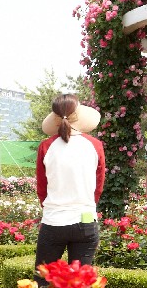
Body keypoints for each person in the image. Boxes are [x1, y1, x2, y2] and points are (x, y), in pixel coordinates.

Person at [35, 95, 106, 268]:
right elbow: (98, 185)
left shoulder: (46, 146)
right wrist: (88, 204)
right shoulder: (95, 145)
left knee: (44, 283)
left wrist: (52, 208)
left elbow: (42, 187)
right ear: (78, 115)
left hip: (54, 222)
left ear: (55, 118)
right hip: (85, 220)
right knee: (80, 285)